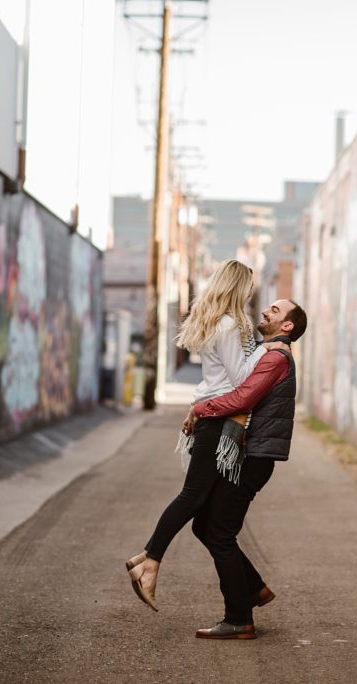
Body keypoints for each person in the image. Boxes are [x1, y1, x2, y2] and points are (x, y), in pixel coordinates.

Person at [125, 261, 287, 610]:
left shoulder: (223, 323)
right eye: (248, 288)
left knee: (204, 512)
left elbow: (215, 379)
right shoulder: (230, 326)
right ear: (238, 288)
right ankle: (149, 562)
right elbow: (241, 378)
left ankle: (253, 586)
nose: (250, 296)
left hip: (213, 414)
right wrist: (267, 349)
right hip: (218, 420)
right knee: (193, 497)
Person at [185, 298, 308, 640]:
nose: (267, 310)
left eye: (276, 311)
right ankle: (253, 589)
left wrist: (201, 407)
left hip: (253, 458)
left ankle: (239, 618)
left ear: (287, 327)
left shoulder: (275, 357)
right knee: (205, 525)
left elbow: (242, 399)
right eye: (269, 306)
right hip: (248, 455)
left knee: (219, 533)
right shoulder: (265, 353)